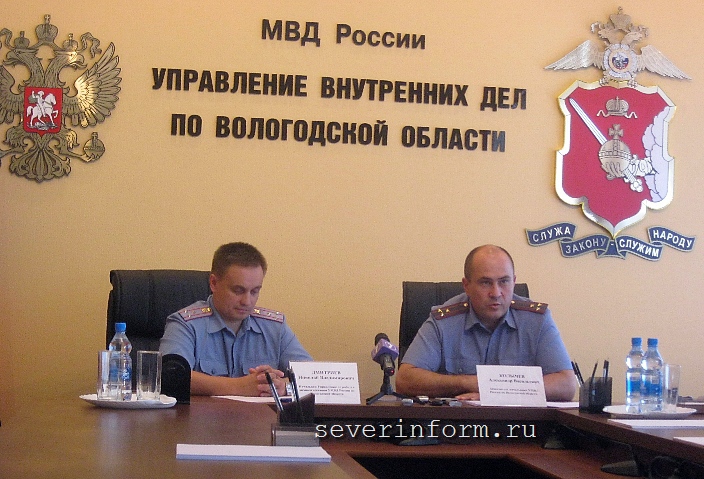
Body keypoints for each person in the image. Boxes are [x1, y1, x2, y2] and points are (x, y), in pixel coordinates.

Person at [395, 245, 576, 402]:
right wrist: (469, 383)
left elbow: (566, 384)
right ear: (466, 285)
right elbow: (405, 379)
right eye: (485, 283)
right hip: (458, 425)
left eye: (504, 281)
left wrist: (496, 391)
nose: (496, 293)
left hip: (521, 426)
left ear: (514, 282)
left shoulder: (537, 320)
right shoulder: (444, 321)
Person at [159, 242, 312, 397]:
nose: (247, 301)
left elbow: (313, 377)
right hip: (205, 413)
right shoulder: (186, 324)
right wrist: (239, 386)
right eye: (238, 291)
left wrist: (284, 387)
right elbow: (170, 376)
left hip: (260, 413)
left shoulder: (275, 327)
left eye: (254, 291)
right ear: (214, 283)